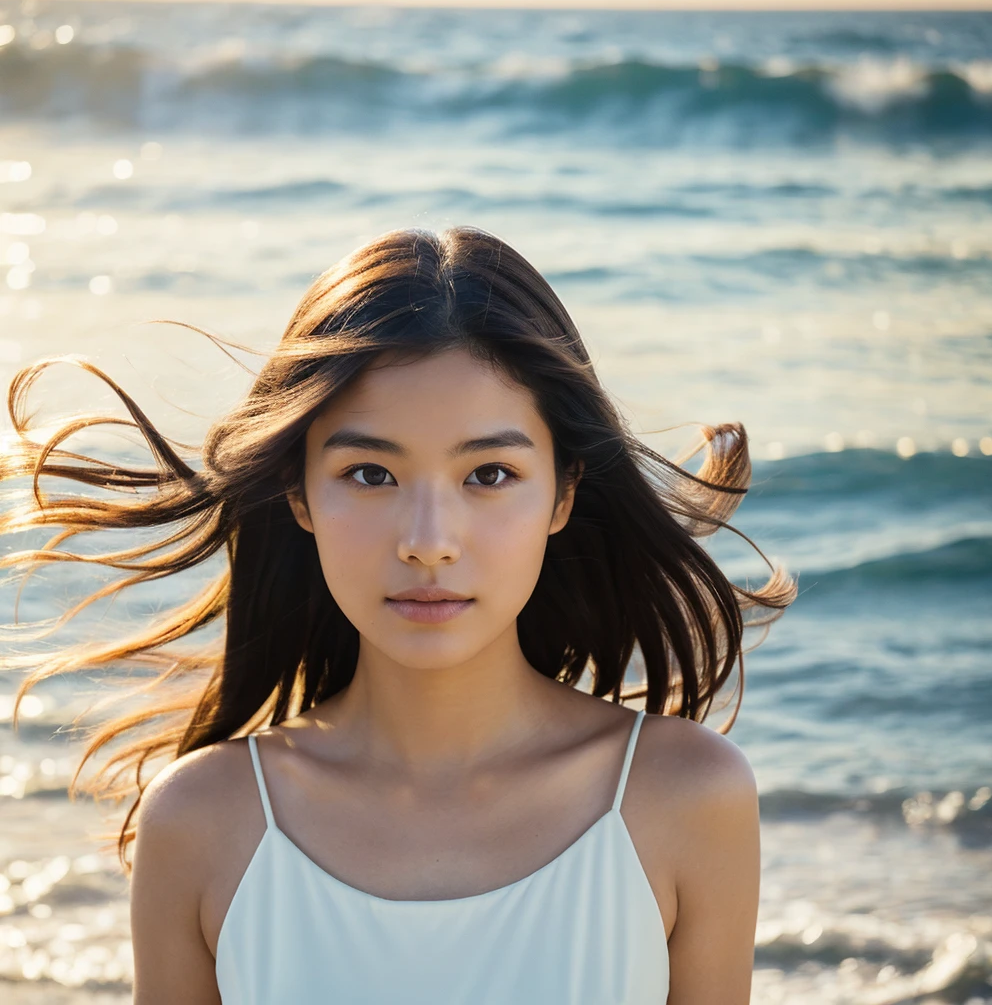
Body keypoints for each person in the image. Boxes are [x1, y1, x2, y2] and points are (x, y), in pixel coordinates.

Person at [2, 226, 795, 1003]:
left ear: (564, 492)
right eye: (370, 473)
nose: (428, 543)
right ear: (298, 493)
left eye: (488, 473)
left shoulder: (684, 799)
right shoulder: (205, 824)